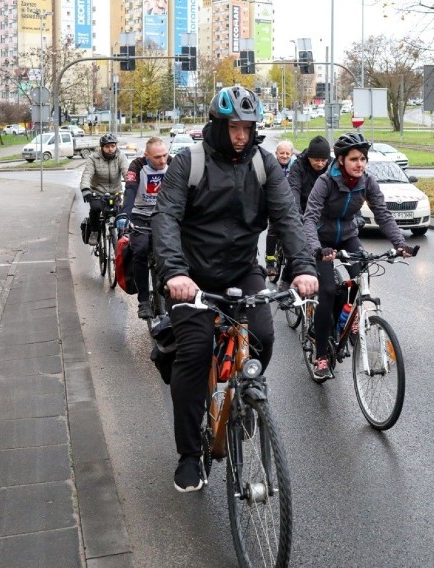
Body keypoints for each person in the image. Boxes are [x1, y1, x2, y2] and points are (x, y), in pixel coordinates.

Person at [152, 86, 318, 492]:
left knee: (263, 334)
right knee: (192, 354)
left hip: (242, 270)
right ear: (217, 124)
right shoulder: (188, 163)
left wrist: (303, 267)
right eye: (233, 127)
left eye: (247, 127)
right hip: (192, 276)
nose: (241, 135)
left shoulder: (264, 165)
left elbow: (287, 218)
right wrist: (175, 272)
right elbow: (166, 218)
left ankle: (243, 400)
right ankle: (190, 454)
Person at [303, 132, 414, 381]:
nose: (360, 164)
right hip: (322, 239)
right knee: (328, 290)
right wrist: (317, 248)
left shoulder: (367, 181)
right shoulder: (325, 182)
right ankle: (320, 354)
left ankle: (349, 317)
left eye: (363, 159)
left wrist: (400, 243)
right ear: (341, 160)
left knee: (361, 276)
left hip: (348, 236)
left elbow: (382, 214)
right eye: (354, 159)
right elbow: (309, 218)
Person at [269, 135, 332, 291]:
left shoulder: (331, 166)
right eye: (316, 160)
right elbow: (294, 190)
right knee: (299, 244)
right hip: (301, 207)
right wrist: (297, 216)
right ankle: (285, 278)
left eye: (323, 160)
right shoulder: (298, 166)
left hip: (320, 209)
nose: (320, 164)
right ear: (309, 157)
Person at [118, 137, 171, 319]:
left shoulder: (172, 163)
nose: (163, 161)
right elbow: (130, 190)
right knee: (139, 250)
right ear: (146, 155)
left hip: (163, 214)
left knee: (172, 250)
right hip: (140, 214)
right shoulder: (137, 165)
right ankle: (143, 301)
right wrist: (125, 214)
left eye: (165, 155)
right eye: (157, 157)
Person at [80, 133, 129, 246]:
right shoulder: (93, 158)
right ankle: (95, 231)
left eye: (112, 146)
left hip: (115, 191)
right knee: (96, 209)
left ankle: (121, 235)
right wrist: (85, 189)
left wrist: (131, 185)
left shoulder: (121, 157)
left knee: (120, 213)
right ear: (102, 147)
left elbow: (126, 172)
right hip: (97, 192)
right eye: (107, 146)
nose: (110, 149)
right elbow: (87, 174)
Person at [264, 140, 297, 277]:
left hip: (290, 202)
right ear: (276, 153)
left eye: (287, 153)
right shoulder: (270, 165)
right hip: (273, 202)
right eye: (281, 153)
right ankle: (270, 261)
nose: (284, 156)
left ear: (292, 154)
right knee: (273, 230)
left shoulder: (296, 166)